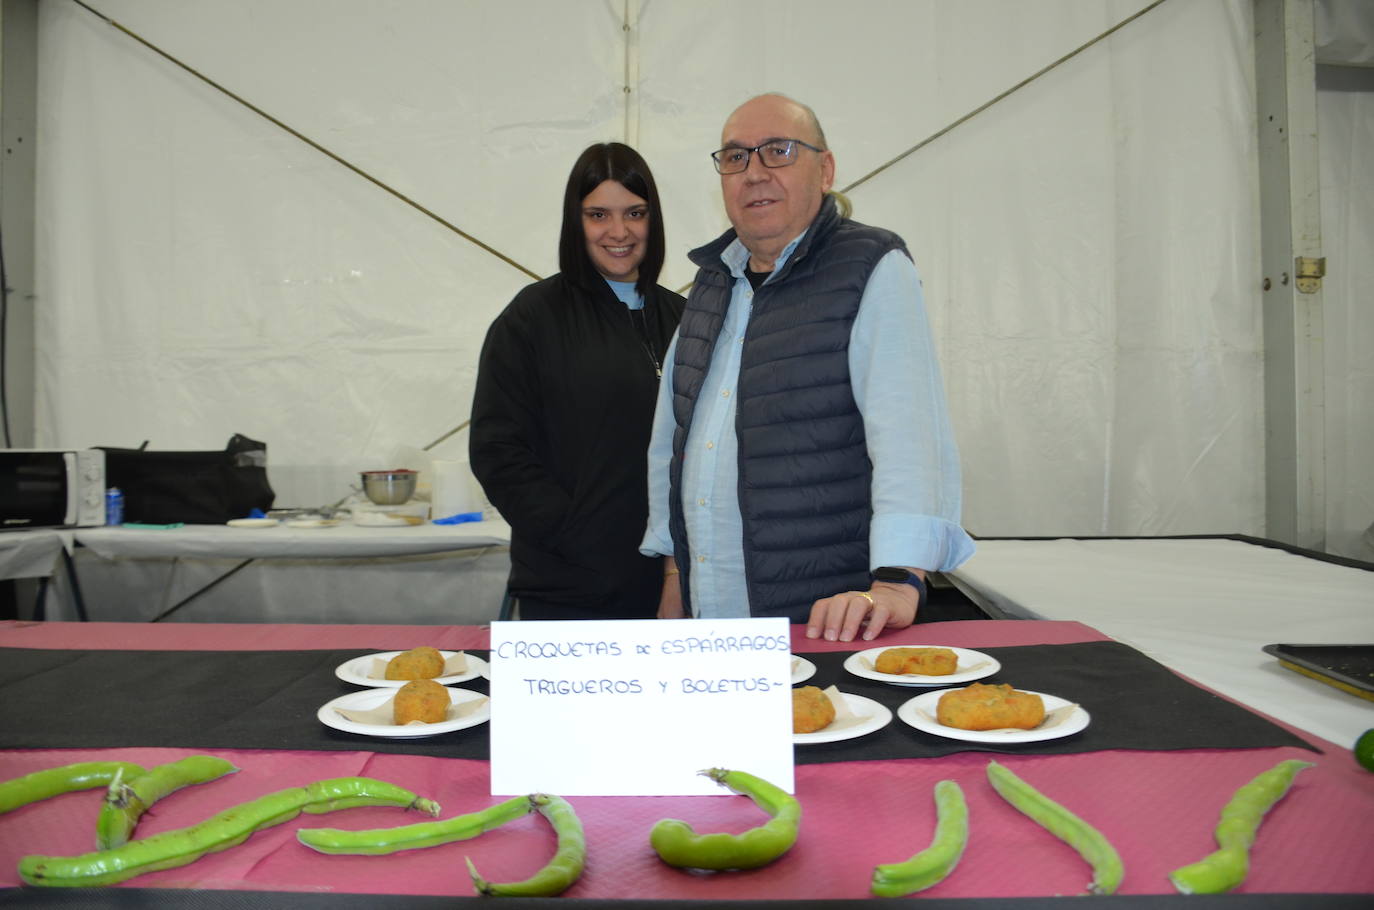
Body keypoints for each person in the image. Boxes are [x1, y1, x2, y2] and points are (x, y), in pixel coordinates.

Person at [640, 93, 975, 641]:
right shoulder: (708, 285)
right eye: (735, 157)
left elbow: (909, 431)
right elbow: (670, 442)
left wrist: (898, 579)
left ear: (826, 169)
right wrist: (676, 573)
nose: (754, 173)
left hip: (826, 615)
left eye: (778, 151)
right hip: (711, 612)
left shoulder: (870, 266)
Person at [471, 142, 684, 620]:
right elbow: (497, 449)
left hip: (673, 589)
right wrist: (575, 535)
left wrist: (680, 569)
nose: (619, 232)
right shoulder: (533, 317)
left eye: (635, 212)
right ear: (575, 221)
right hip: (569, 588)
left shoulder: (685, 318)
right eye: (598, 215)